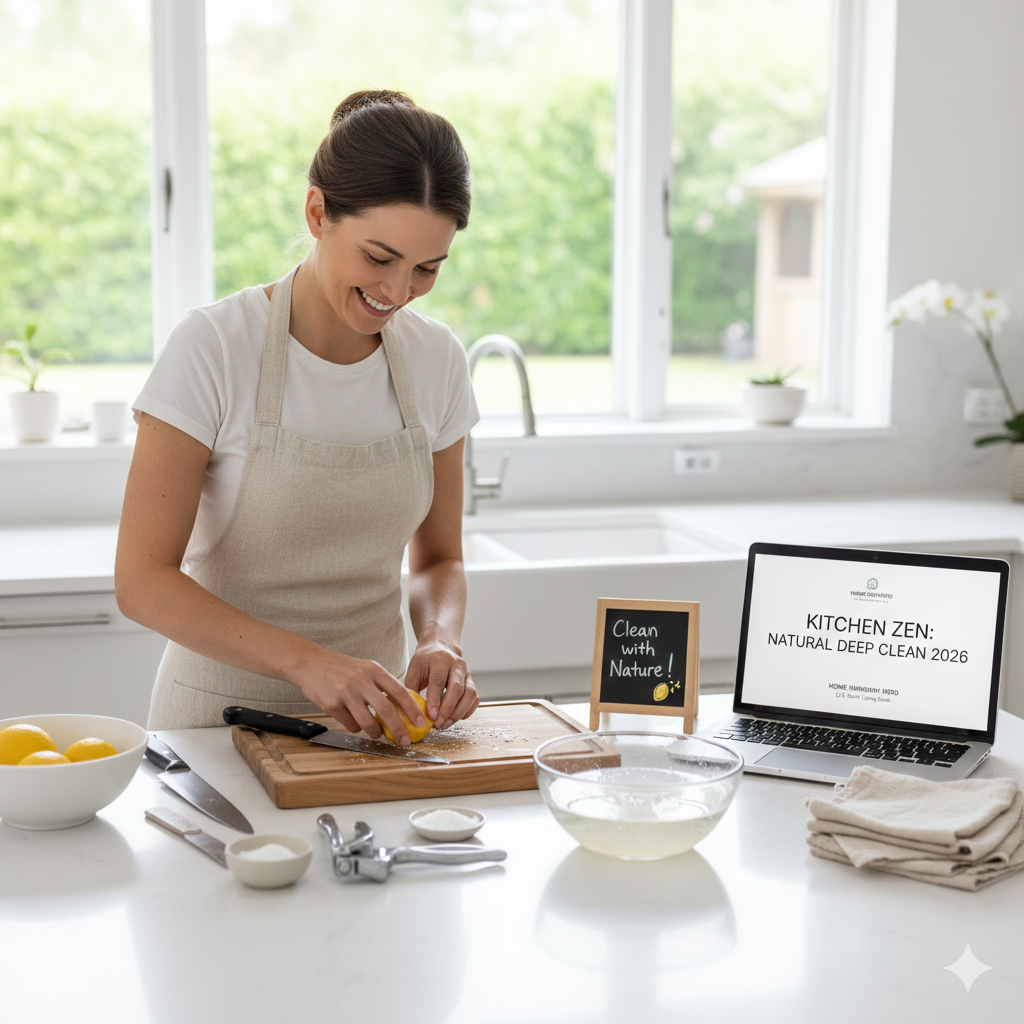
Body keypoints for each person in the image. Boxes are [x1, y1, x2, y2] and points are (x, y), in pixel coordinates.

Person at [115, 90, 481, 744]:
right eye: (379, 257)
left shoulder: (437, 361)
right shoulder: (214, 347)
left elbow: (439, 557)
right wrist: (309, 663)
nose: (398, 293)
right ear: (318, 213)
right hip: (213, 732)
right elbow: (142, 581)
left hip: (373, 733)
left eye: (428, 268)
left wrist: (440, 638)